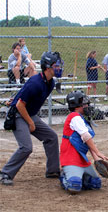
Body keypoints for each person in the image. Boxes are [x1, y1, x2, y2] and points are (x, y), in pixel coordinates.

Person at [0, 51, 61, 186]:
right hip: (18, 114)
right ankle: (5, 173)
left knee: (51, 137)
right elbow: (20, 105)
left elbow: (26, 96)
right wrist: (30, 122)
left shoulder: (50, 83)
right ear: (47, 67)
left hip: (29, 113)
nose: (58, 68)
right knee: (26, 147)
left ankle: (52, 170)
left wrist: (30, 118)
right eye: (55, 65)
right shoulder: (36, 82)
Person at [59, 90, 108, 193]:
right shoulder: (74, 117)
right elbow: (86, 136)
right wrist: (98, 152)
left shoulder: (82, 119)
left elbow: (87, 141)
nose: (87, 106)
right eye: (84, 104)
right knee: (74, 186)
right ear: (77, 105)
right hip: (70, 158)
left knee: (95, 184)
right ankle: (64, 176)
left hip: (81, 158)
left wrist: (96, 159)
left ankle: (77, 176)